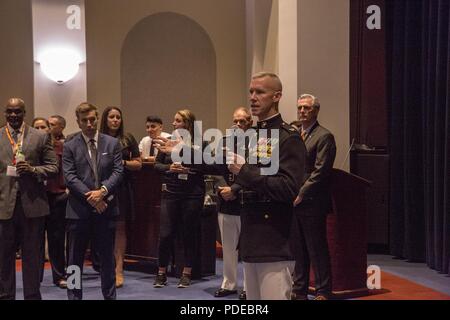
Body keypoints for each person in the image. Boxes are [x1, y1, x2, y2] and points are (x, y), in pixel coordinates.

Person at [227, 72, 305, 300]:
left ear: (277, 96)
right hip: (252, 236)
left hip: (274, 239)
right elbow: (225, 165)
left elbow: (288, 188)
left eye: (260, 92)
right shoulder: (253, 136)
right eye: (251, 91)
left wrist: (245, 172)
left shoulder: (288, 137)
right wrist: (181, 152)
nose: (252, 97)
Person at [63, 102, 123, 300]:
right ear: (78, 122)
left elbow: (118, 171)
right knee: (74, 261)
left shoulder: (112, 143)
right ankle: (73, 296)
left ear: (97, 119)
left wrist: (103, 191)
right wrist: (93, 197)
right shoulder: (70, 145)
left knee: (107, 258)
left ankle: (110, 296)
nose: (89, 124)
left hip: (106, 209)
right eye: (84, 121)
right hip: (78, 211)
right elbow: (70, 177)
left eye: (92, 119)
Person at [0, 98, 58, 300]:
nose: (13, 115)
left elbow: (53, 167)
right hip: (4, 207)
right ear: (5, 113)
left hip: (33, 206)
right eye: (10, 111)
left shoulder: (40, 136)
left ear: (24, 113)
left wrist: (34, 170)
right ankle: (5, 296)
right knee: (4, 257)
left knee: (32, 258)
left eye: (18, 111)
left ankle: (32, 296)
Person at [153, 109, 205, 289]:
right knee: (165, 234)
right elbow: (157, 165)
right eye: (174, 121)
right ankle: (161, 273)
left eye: (178, 121)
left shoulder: (199, 143)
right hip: (171, 192)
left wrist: (186, 164)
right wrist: (170, 168)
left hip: (192, 193)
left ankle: (187, 273)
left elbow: (204, 165)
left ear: (188, 124)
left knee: (188, 233)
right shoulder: (168, 141)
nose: (173, 124)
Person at [291, 94, 336, 300]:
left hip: (312, 202)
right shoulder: (296, 134)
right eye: (300, 108)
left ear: (316, 111)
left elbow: (320, 171)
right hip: (294, 201)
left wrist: (301, 193)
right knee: (299, 249)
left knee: (316, 249)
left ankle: (323, 291)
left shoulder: (324, 136)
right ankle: (299, 289)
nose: (302, 111)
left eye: (306, 108)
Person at [100, 106, 142, 288]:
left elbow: (138, 164)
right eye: (111, 117)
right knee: (100, 227)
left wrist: (122, 162)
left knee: (120, 228)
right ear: (105, 119)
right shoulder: (98, 138)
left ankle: (119, 269)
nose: (115, 120)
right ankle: (105, 267)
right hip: (100, 188)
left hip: (122, 188)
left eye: (118, 117)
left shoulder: (128, 138)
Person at [214, 107, 251, 300]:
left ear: (250, 123)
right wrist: (223, 189)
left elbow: (254, 172)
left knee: (247, 248)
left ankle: (248, 287)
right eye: (235, 121)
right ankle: (228, 283)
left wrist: (235, 189)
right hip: (226, 201)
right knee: (228, 246)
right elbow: (217, 171)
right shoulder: (225, 142)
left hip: (246, 201)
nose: (237, 125)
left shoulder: (255, 144)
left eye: (242, 121)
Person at [44, 115, 69, 289]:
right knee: (36, 239)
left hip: (61, 197)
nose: (47, 128)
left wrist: (68, 190)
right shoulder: (37, 148)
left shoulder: (65, 147)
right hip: (40, 197)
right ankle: (35, 279)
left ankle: (65, 277)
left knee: (60, 239)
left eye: (51, 125)